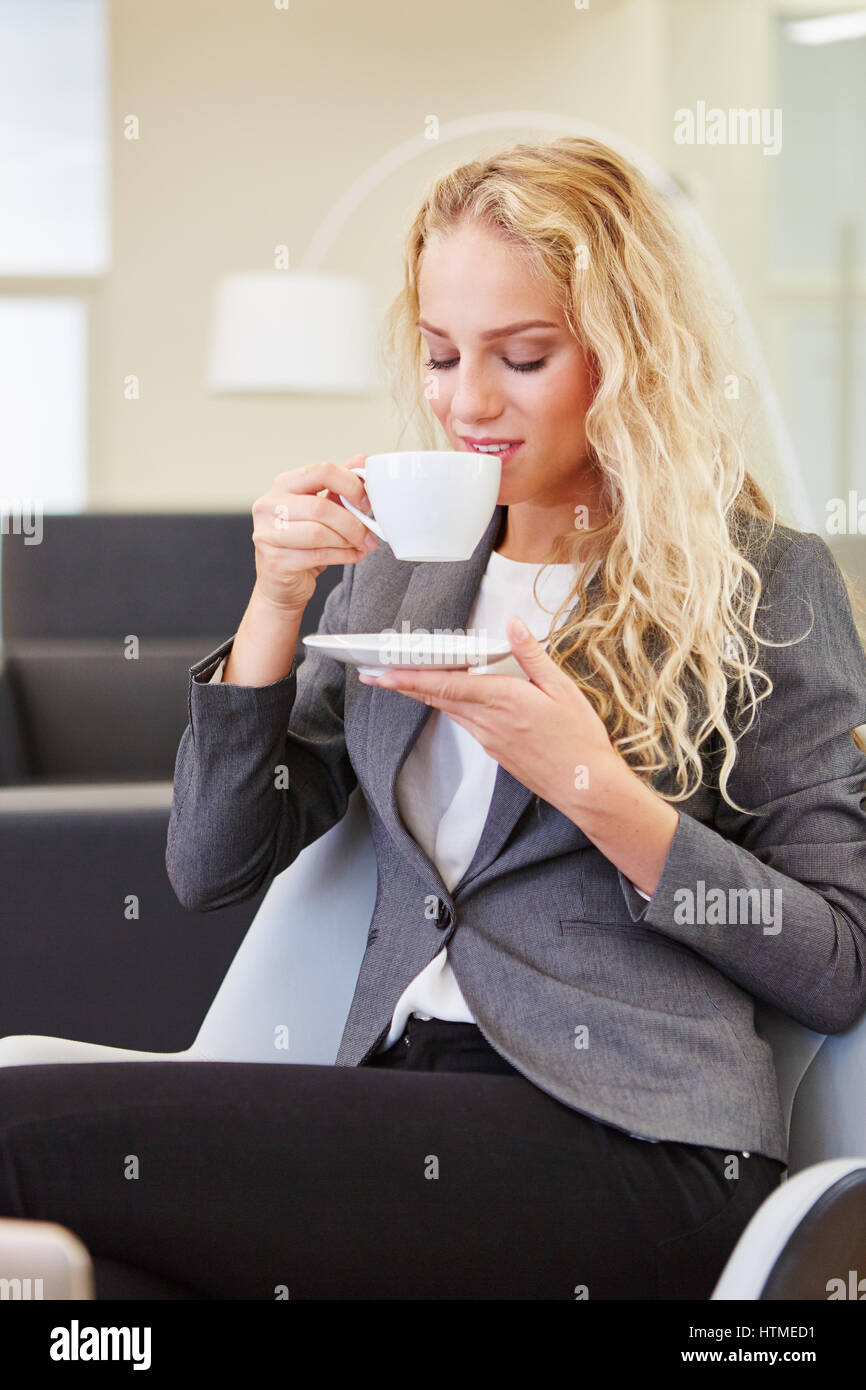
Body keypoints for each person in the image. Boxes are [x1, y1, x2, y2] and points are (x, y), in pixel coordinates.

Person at [2, 137, 865, 1300]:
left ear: (629, 352)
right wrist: (273, 601)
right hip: (398, 1095)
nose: (465, 403)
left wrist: (589, 786)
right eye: (440, 354)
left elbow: (834, 967)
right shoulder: (408, 572)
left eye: (521, 356)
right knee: (88, 1286)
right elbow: (209, 865)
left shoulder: (762, 582)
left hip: (634, 1141)